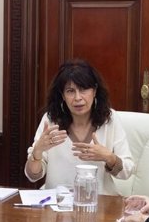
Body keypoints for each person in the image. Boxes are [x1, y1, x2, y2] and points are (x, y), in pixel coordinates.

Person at [24, 59, 134, 195]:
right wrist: (37, 152)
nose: (77, 98)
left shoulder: (109, 119)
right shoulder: (51, 120)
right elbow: (33, 176)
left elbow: (127, 171)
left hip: (101, 205)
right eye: (70, 91)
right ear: (62, 95)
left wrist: (108, 157)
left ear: (94, 91)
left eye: (83, 90)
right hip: (58, 206)